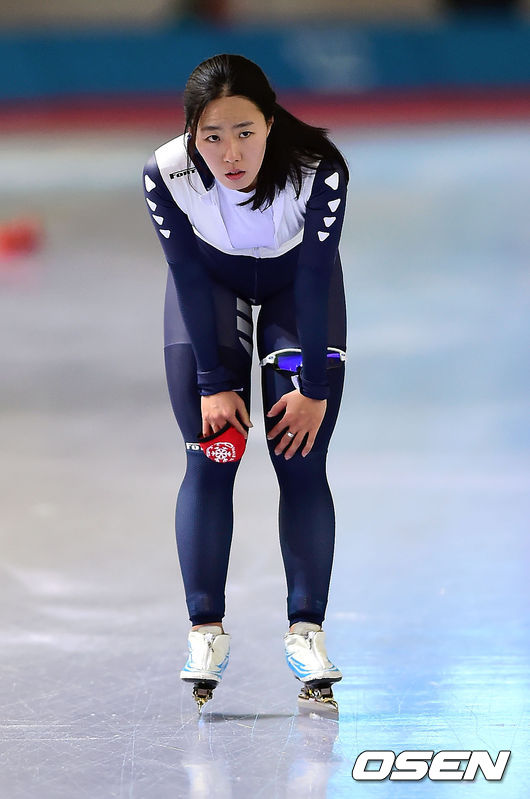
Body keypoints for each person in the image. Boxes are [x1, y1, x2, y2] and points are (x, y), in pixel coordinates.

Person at [143, 53, 348, 713]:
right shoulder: (165, 172)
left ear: (271, 123)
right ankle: (205, 631)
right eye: (212, 136)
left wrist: (313, 385)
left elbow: (314, 277)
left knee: (301, 456)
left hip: (295, 290)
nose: (230, 153)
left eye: (244, 132)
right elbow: (186, 272)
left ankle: (307, 630)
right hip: (211, 287)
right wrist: (212, 380)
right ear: (191, 135)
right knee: (213, 452)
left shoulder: (318, 167)